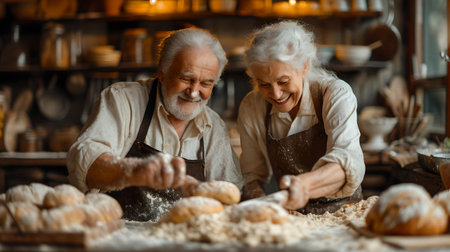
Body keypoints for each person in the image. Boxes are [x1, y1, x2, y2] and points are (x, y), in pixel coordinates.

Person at [67, 27, 244, 222]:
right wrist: (134, 171)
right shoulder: (123, 100)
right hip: (122, 239)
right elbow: (84, 164)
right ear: (162, 71)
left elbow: (231, 194)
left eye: (205, 84)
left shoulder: (214, 126)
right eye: (186, 79)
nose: (194, 92)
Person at [237, 21, 365, 215]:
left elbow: (348, 160)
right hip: (292, 217)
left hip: (344, 213)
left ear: (304, 67)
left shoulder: (335, 94)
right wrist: (259, 210)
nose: (276, 94)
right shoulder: (252, 107)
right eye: (264, 84)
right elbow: (251, 175)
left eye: (283, 81)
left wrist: (304, 186)